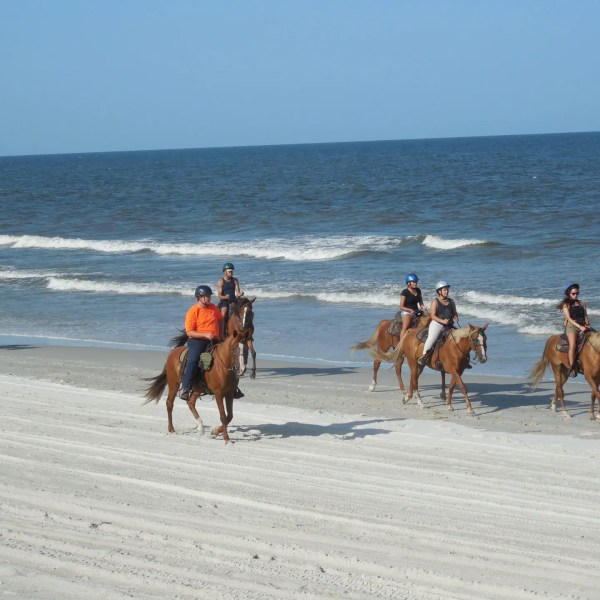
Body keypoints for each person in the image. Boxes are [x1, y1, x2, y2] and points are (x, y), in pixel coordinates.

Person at [180, 285, 224, 401]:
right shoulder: (193, 311)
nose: (209, 298)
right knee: (194, 360)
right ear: (200, 298)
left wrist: (220, 335)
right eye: (207, 296)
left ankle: (231, 387)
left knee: (229, 355)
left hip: (214, 339)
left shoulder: (214, 308)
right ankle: (185, 387)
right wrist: (204, 334)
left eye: (209, 296)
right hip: (197, 340)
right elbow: (189, 332)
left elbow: (220, 319)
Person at [418, 281, 458, 366]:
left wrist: (456, 317)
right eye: (444, 290)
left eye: (447, 290)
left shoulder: (451, 302)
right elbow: (433, 316)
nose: (446, 291)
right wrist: (442, 321)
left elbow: (455, 313)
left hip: (449, 325)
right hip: (437, 324)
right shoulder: (435, 302)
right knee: (432, 338)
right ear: (439, 291)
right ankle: (424, 356)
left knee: (459, 338)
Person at [559, 282, 590, 377]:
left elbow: (585, 315)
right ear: (568, 293)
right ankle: (571, 367)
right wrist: (579, 327)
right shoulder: (565, 304)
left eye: (577, 293)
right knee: (572, 345)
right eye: (573, 294)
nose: (575, 295)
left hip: (582, 325)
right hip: (571, 327)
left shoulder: (581, 303)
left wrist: (587, 324)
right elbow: (569, 318)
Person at [399, 273, 426, 340]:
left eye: (416, 282)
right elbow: (401, 306)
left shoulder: (418, 290)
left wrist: (423, 306)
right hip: (407, 312)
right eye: (414, 282)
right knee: (406, 326)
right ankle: (401, 343)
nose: (416, 283)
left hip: (416, 311)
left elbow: (420, 302)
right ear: (408, 283)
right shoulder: (405, 292)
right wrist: (410, 310)